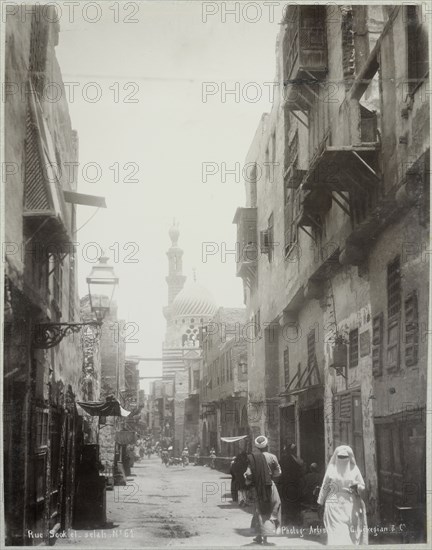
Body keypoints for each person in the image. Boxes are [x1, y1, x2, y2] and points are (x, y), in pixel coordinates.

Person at [317, 445, 368, 546]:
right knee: (336, 532)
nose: (342, 459)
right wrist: (321, 501)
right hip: (334, 505)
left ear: (349, 457)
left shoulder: (354, 469)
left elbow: (362, 486)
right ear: (336, 457)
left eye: (345, 457)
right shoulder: (331, 468)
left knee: (351, 533)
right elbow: (325, 486)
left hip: (351, 506)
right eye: (340, 457)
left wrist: (357, 487)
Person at [244, 435, 282, 545]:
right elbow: (278, 472)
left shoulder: (253, 458)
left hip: (258, 487)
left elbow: (249, 474)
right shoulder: (272, 457)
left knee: (259, 510)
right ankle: (267, 536)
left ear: (256, 447)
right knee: (273, 507)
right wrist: (270, 477)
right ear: (267, 446)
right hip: (270, 485)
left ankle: (258, 535)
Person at [279, 442, 304, 526]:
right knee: (293, 500)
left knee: (287, 500)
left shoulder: (283, 458)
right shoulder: (296, 459)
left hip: (287, 483)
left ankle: (287, 519)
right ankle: (293, 519)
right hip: (293, 483)